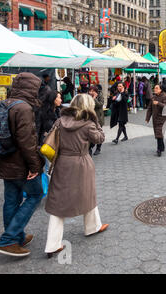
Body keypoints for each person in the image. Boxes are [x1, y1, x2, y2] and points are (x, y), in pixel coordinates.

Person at [44, 94, 108, 258]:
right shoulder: (88, 124)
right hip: (81, 163)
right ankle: (92, 227)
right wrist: (96, 121)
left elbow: (48, 137)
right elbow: (100, 138)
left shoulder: (60, 121)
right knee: (88, 194)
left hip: (62, 163)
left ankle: (53, 244)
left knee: (59, 202)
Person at [0, 73, 45, 257]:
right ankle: (9, 239)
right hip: (21, 165)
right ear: (30, 87)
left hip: (6, 161)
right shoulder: (23, 108)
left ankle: (16, 237)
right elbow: (27, 142)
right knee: (35, 195)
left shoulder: (6, 103)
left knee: (11, 200)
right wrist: (35, 166)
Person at [146, 85, 166, 157]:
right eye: (155, 88)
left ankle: (159, 149)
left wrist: (158, 103)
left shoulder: (165, 96)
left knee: (159, 132)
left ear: (160, 89)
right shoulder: (153, 97)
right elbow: (149, 108)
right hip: (155, 118)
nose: (155, 89)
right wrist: (147, 118)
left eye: (157, 88)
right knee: (158, 133)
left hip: (163, 118)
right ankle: (162, 146)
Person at [89, 85, 104, 156]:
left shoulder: (100, 95)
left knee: (98, 133)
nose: (91, 92)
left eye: (93, 91)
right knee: (91, 133)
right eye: (90, 91)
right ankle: (90, 147)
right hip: (90, 117)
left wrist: (94, 98)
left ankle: (98, 148)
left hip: (98, 117)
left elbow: (100, 105)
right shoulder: (88, 96)